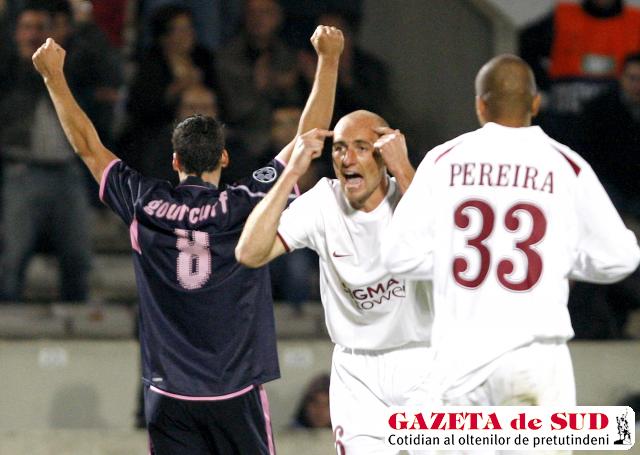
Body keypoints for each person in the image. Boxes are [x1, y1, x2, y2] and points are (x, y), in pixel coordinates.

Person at [32, 25, 343, 454]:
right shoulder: (249, 200)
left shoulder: (143, 202)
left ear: (175, 160)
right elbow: (307, 140)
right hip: (235, 389)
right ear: (224, 157)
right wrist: (329, 59)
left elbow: (88, 146)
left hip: (169, 394)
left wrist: (53, 77)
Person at [382, 55, 640, 412]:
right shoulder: (565, 164)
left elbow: (396, 255)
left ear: (480, 105)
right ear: (535, 103)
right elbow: (621, 257)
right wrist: (558, 259)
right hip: (534, 357)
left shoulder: (443, 159)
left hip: (459, 356)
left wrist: (453, 258)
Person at [235, 110, 434, 454]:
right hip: (356, 371)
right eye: (339, 148)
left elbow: (446, 247)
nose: (347, 158)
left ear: (383, 154)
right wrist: (290, 174)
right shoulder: (322, 203)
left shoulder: (412, 194)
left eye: (361, 147)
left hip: (421, 361)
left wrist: (403, 168)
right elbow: (249, 253)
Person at [0, 1, 104, 302]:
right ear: (16, 33)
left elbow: (105, 70)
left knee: (78, 256)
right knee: (12, 257)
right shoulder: (7, 70)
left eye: (40, 28)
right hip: (20, 171)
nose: (33, 35)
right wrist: (28, 63)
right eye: (27, 28)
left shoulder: (70, 68)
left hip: (67, 172)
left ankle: (78, 320)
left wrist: (82, 27)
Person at [519, 0, 640, 150]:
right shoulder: (563, 18)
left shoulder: (635, 22)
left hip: (620, 129)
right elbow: (528, 43)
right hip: (566, 124)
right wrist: (544, 84)